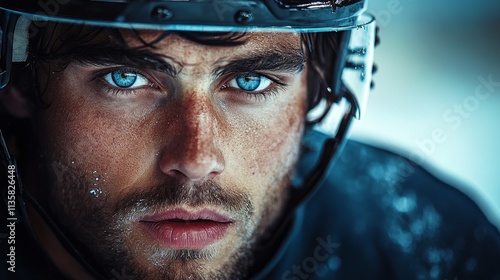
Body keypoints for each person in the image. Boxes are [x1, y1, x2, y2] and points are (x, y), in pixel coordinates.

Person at [0, 0, 499, 279]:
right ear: (21, 84)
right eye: (124, 81)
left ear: (316, 96)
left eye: (251, 82)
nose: (195, 160)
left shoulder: (426, 245)